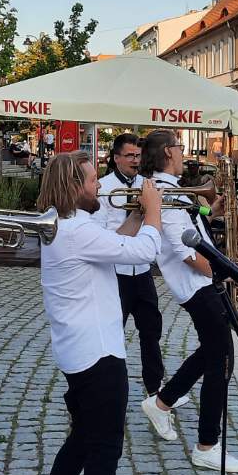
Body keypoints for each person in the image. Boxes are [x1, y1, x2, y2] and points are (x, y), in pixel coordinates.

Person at [26, 150, 163, 475]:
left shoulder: (62, 224)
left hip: (79, 350)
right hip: (99, 354)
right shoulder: (77, 230)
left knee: (84, 438)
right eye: (91, 182)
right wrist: (155, 212)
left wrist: (139, 214)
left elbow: (119, 244)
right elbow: (144, 250)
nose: (99, 189)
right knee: (104, 448)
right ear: (74, 187)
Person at [137, 129, 238, 473]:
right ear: (169, 151)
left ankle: (162, 402)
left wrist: (210, 212)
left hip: (200, 280)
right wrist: (220, 270)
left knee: (212, 352)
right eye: (180, 148)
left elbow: (189, 229)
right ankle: (206, 446)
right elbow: (183, 249)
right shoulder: (163, 191)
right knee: (221, 362)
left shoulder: (173, 189)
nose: (184, 153)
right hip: (196, 283)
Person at [93, 133, 166, 398]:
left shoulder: (148, 185)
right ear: (116, 158)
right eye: (130, 156)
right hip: (116, 273)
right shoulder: (103, 188)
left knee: (151, 332)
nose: (136, 161)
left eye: (138, 156)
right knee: (112, 334)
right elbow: (103, 237)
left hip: (142, 270)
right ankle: (109, 390)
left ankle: (155, 389)